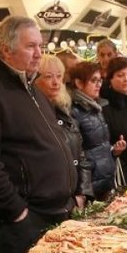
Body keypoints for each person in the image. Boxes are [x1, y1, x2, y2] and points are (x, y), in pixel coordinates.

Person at [0, 15, 78, 253]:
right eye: (31, 46)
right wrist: (17, 210)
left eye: (40, 45)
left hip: (55, 212)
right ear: (6, 50)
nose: (39, 53)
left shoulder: (31, 88)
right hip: (24, 221)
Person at [35, 55, 92, 209]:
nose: (55, 82)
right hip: (52, 202)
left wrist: (82, 193)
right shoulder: (35, 115)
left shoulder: (64, 111)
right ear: (35, 80)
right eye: (48, 76)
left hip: (72, 199)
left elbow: (80, 154)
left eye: (59, 76)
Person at [70, 61, 123, 198]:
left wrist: (113, 151)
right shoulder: (73, 111)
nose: (98, 84)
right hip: (90, 186)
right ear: (79, 83)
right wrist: (84, 191)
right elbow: (79, 152)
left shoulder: (95, 107)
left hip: (104, 180)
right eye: (93, 80)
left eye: (100, 80)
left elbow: (99, 145)